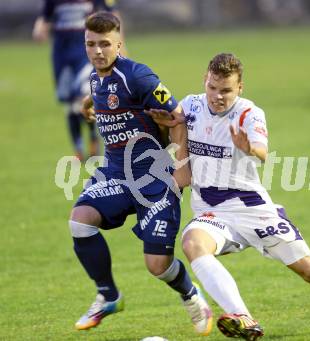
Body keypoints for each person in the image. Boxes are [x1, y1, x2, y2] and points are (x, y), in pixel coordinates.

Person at [150, 53, 310, 340]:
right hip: (213, 213)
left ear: (240, 88)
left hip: (252, 210)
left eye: (226, 90)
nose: (218, 96)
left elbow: (262, 152)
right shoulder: (190, 106)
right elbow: (177, 152)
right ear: (205, 81)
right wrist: (166, 127)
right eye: (213, 87)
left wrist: (249, 147)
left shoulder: (250, 114)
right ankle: (243, 317)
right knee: (192, 243)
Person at [69, 12, 212, 334]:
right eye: (91, 44)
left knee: (157, 266)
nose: (97, 51)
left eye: (105, 44)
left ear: (119, 44)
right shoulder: (95, 76)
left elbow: (177, 118)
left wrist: (181, 171)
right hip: (116, 172)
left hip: (154, 179)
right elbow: (104, 94)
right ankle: (108, 295)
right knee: (80, 221)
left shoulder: (139, 76)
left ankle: (191, 295)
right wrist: (88, 106)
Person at [32, 0, 122, 160]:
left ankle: (93, 139)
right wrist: (39, 29)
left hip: (85, 53)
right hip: (61, 55)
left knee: (84, 97)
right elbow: (45, 17)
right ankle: (78, 149)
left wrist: (118, 43)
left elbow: (112, 13)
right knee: (69, 104)